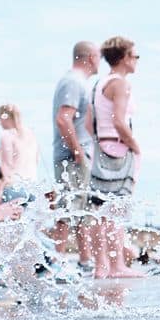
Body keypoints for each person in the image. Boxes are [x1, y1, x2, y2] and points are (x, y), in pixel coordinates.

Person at [87, 36, 145, 279]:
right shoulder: (121, 84)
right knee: (117, 209)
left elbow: (89, 123)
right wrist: (135, 147)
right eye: (135, 55)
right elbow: (119, 122)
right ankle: (117, 266)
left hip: (100, 149)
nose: (137, 60)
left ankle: (101, 266)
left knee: (99, 210)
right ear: (124, 58)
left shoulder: (99, 84)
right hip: (119, 150)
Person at [51, 40, 100, 269]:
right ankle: (56, 262)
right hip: (71, 157)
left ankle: (85, 260)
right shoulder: (73, 81)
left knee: (81, 209)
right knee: (67, 206)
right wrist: (78, 151)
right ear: (91, 57)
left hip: (76, 155)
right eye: (99, 57)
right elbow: (63, 119)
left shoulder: (77, 82)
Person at [0, 104, 40, 186]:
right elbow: (36, 160)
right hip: (33, 184)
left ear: (4, 117)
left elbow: (6, 164)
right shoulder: (30, 133)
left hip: (14, 184)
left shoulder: (7, 135)